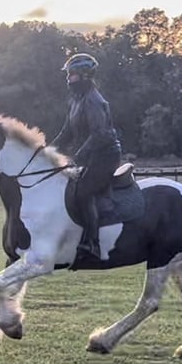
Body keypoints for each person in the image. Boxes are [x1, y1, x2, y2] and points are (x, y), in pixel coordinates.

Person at [51, 53, 122, 260]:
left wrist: (77, 157)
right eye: (68, 74)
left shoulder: (93, 101)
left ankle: (93, 244)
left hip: (105, 156)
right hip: (90, 155)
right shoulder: (76, 100)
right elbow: (67, 132)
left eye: (71, 74)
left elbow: (99, 135)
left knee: (82, 191)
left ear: (84, 75)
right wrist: (46, 152)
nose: (68, 79)